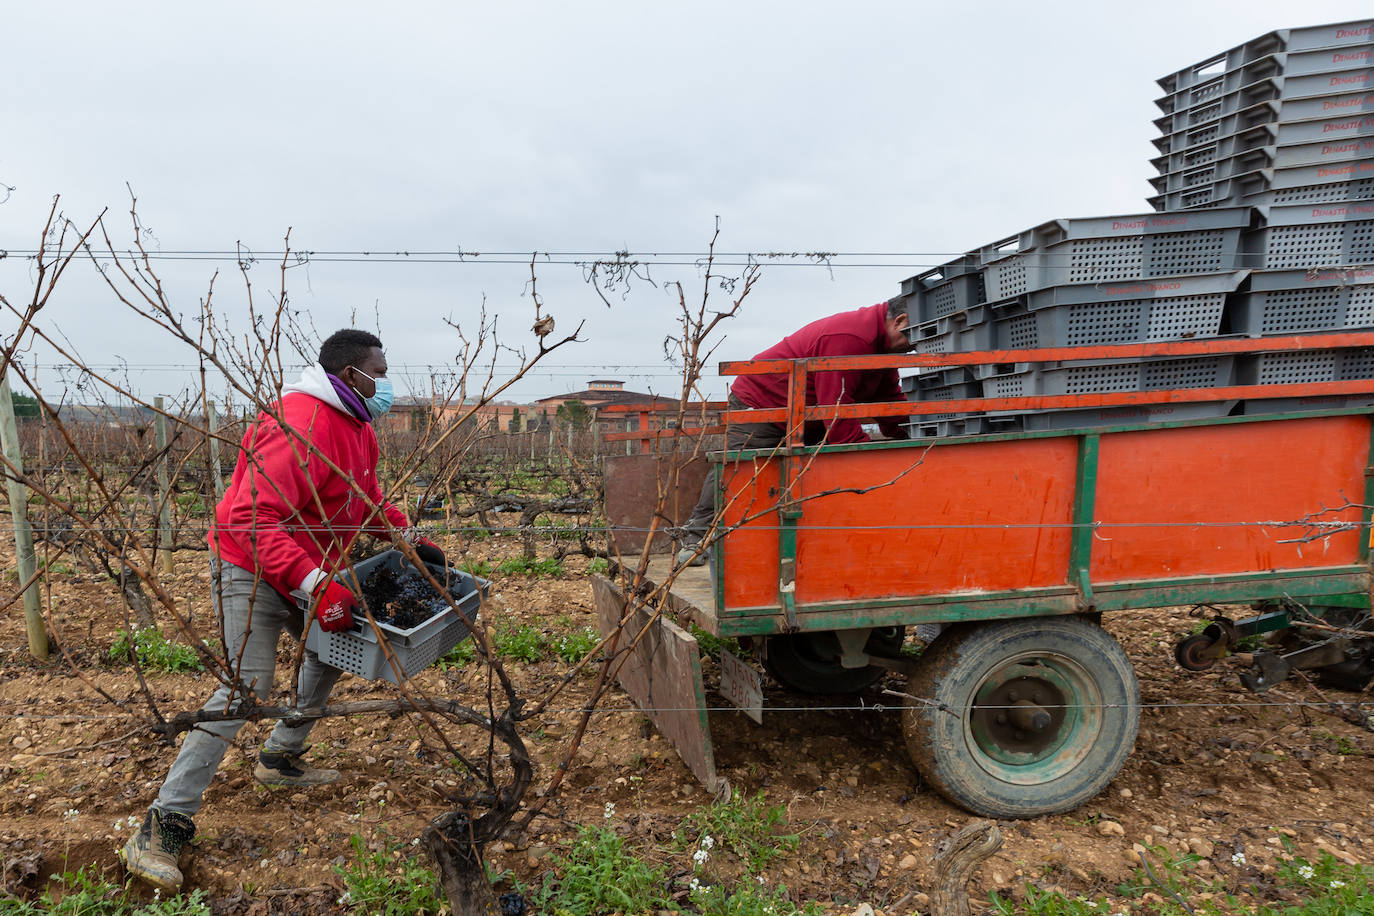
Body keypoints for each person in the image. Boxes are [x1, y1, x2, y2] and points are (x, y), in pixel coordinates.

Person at [121, 329, 445, 892]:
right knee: (246, 687)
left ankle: (279, 759)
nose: (388, 383)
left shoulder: (356, 423)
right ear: (351, 374)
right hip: (250, 561)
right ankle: (162, 824)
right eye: (380, 371)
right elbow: (246, 519)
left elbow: (357, 494)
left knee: (335, 646)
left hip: (302, 560)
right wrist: (318, 583)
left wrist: (405, 534)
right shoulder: (303, 422)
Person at [677, 301, 911, 565]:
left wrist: (903, 434)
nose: (911, 347)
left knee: (814, 472)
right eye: (910, 338)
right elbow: (836, 411)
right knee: (736, 469)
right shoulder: (849, 338)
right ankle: (695, 540)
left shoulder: (882, 351)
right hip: (764, 402)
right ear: (899, 321)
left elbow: (889, 396)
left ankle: (813, 543)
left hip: (807, 414)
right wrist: (872, 459)